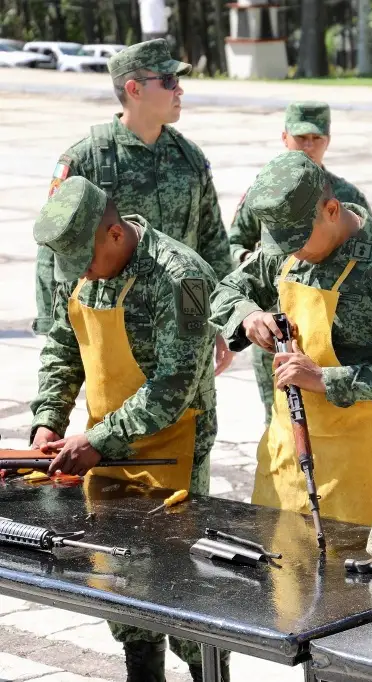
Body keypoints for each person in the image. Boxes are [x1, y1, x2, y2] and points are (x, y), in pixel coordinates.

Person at [28, 176, 229, 682]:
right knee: (119, 582)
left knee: (178, 587)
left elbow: (172, 386)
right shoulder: (80, 263)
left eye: (89, 262)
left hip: (172, 448)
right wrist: (48, 420)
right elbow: (63, 344)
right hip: (103, 446)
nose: (84, 275)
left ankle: (210, 673)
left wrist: (97, 441)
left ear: (115, 234)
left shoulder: (179, 276)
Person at [209, 151, 372, 522]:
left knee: (353, 570)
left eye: (299, 240)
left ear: (332, 209)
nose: (292, 252)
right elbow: (226, 290)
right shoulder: (289, 249)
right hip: (286, 446)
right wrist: (249, 315)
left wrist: (323, 379)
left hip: (359, 454)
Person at [36, 38, 235, 373]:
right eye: (169, 81)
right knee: (116, 421)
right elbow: (54, 252)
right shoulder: (86, 160)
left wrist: (224, 319)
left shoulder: (190, 158)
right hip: (119, 325)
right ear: (134, 89)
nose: (180, 90)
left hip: (188, 320)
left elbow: (212, 242)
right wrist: (57, 334)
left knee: (195, 424)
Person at [228, 101, 372, 425]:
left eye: (316, 138)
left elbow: (368, 257)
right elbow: (232, 243)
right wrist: (250, 261)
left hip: (333, 327)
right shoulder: (267, 191)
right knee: (281, 421)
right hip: (277, 326)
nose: (308, 145)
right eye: (301, 137)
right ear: (284, 138)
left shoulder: (346, 194)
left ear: (328, 141)